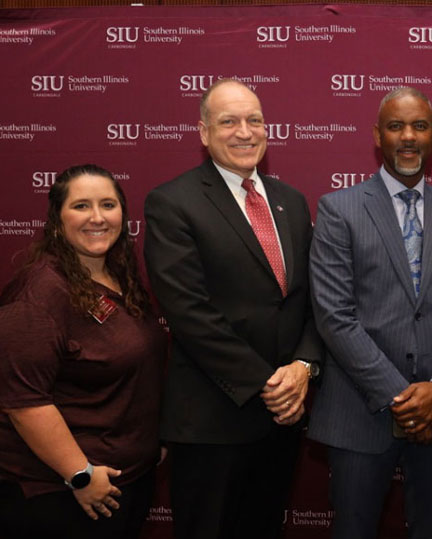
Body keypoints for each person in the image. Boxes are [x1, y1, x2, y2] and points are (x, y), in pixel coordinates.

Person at [143, 78, 322, 539]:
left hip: (282, 419)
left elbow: (308, 300)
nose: (245, 131)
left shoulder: (292, 202)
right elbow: (189, 313)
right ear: (203, 132)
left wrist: (303, 366)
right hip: (212, 420)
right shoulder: (172, 203)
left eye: (255, 120)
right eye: (229, 121)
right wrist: (267, 383)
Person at [307, 87, 432, 539]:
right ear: (377, 136)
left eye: (419, 126)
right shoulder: (338, 209)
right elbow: (334, 316)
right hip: (359, 413)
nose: (408, 137)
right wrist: (404, 400)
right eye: (396, 126)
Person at [0, 164, 166, 539]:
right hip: (61, 494)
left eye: (107, 204)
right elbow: (24, 402)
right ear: (57, 220)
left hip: (123, 481)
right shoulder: (39, 293)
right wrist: (79, 473)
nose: (97, 217)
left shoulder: (119, 276)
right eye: (81, 206)